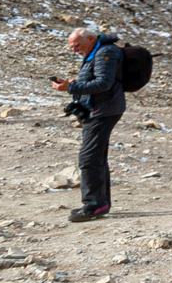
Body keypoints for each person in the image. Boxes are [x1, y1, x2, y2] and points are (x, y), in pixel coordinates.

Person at [50, 28, 124, 222]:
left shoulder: (105, 52)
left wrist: (71, 87)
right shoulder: (96, 51)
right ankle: (101, 204)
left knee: (89, 158)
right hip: (101, 109)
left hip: (103, 111)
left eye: (77, 46)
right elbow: (97, 81)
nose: (74, 50)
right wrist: (73, 85)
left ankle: (94, 205)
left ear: (90, 39)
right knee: (96, 156)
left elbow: (104, 83)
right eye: (71, 47)